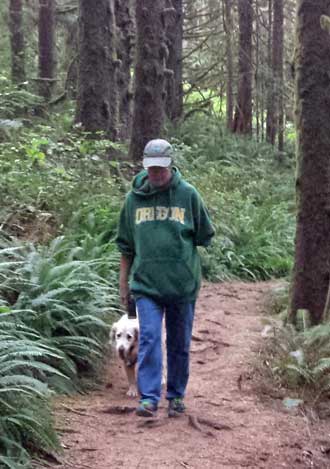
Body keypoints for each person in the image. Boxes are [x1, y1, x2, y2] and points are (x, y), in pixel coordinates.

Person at [116, 138, 215, 418]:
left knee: (179, 342)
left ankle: (176, 396)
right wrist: (124, 285)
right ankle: (148, 398)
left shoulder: (188, 195)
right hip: (146, 284)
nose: (156, 174)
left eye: (161, 168)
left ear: (171, 164)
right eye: (151, 168)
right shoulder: (133, 201)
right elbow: (126, 247)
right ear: (145, 167)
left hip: (182, 286)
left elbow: (204, 235)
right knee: (148, 338)